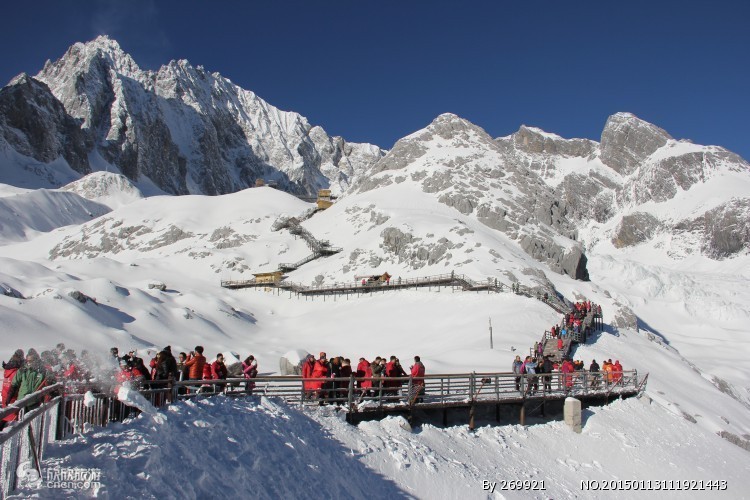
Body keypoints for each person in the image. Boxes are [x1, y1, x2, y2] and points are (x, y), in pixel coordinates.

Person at [1, 349, 24, 429]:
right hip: (13, 396)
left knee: (5, 415)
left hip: (5, 394)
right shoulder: (17, 370)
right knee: (12, 419)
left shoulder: (8, 369)